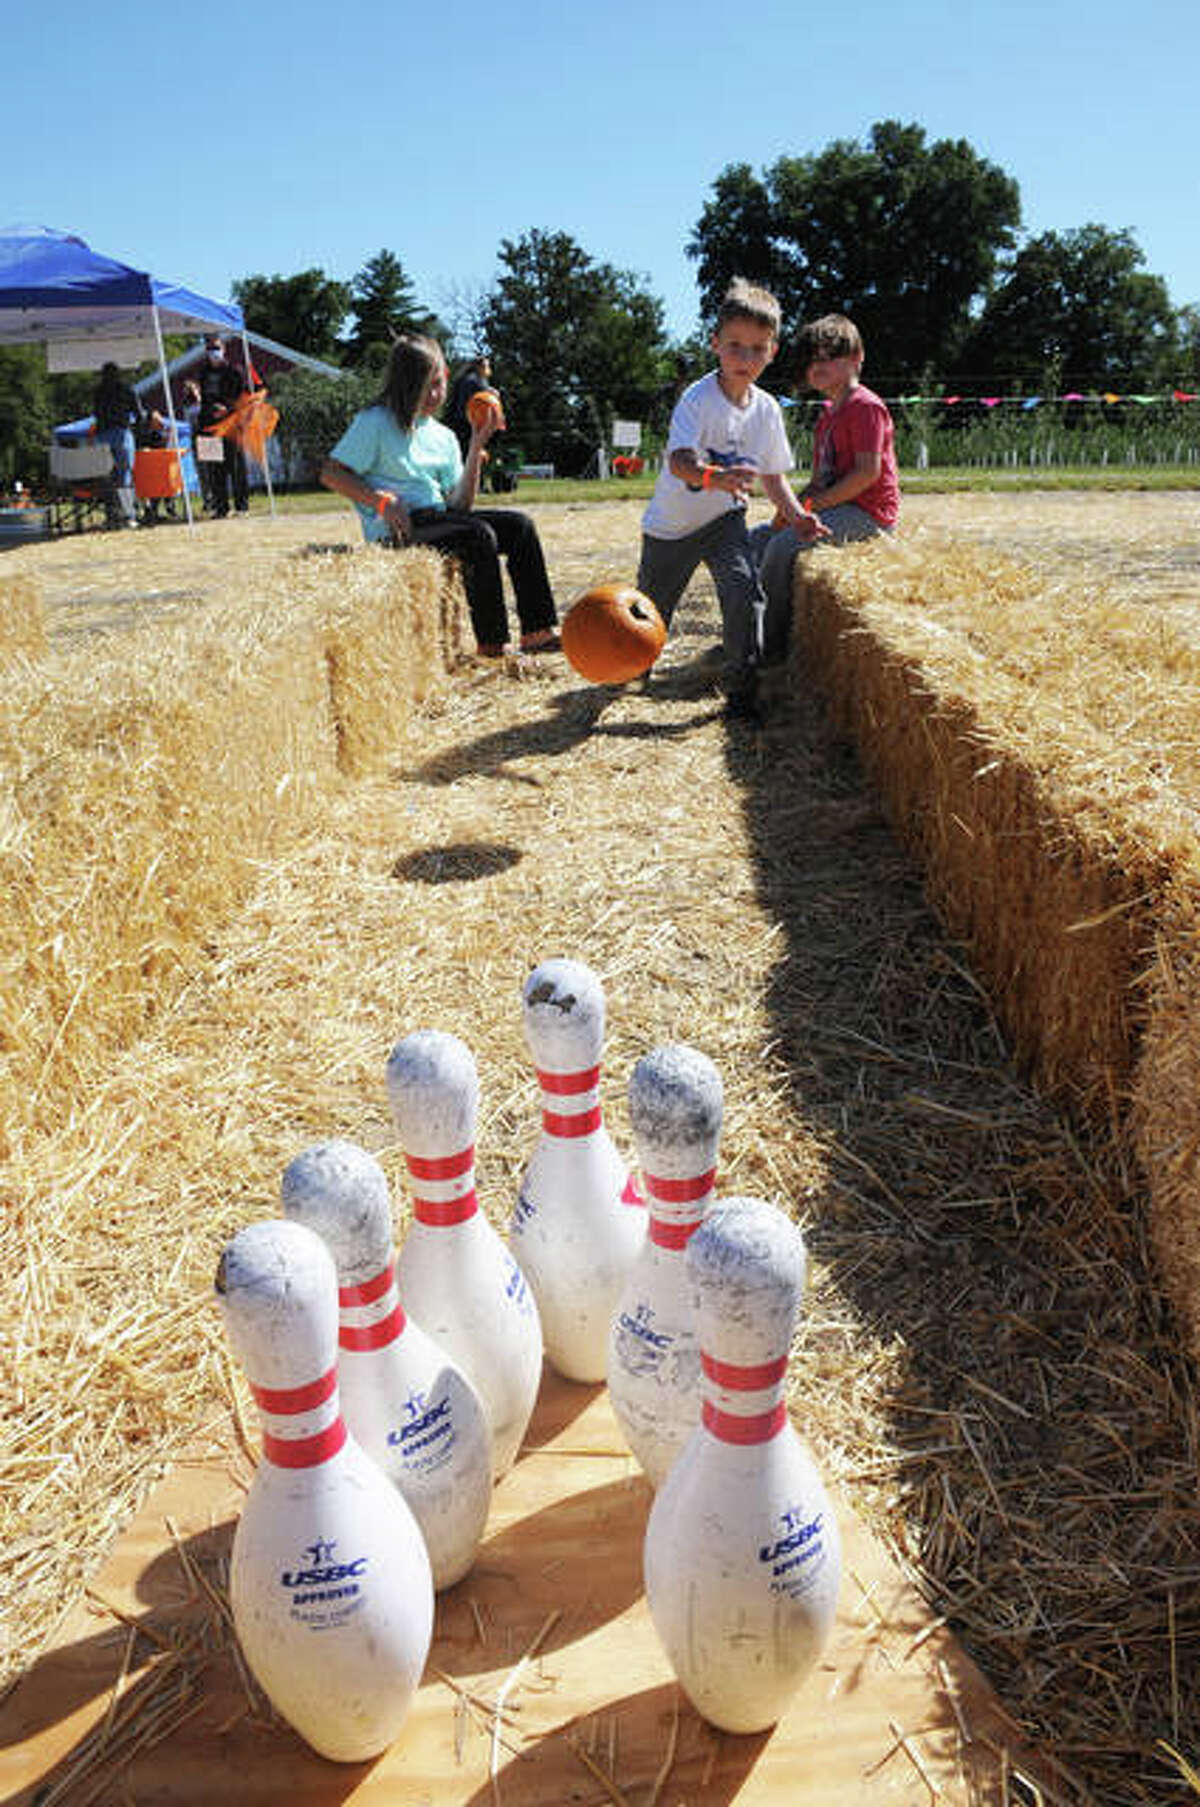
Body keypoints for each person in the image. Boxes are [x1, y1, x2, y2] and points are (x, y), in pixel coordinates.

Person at [636, 279, 825, 722]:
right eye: (735, 346)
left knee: (744, 591)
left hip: (725, 522)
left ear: (772, 351)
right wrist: (714, 477)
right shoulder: (697, 399)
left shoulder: (767, 409)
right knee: (650, 610)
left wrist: (797, 516)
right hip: (671, 526)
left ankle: (743, 688)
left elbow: (773, 476)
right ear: (715, 344)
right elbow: (679, 462)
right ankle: (632, 667)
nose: (745, 358)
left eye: (757, 348)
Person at [319, 333, 560, 659]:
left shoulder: (443, 435)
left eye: (438, 384)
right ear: (404, 385)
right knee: (478, 535)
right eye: (425, 387)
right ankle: (493, 647)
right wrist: (380, 501)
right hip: (400, 529)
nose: (435, 395)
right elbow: (331, 473)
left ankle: (538, 633)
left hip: (440, 519)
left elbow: (460, 505)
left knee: (520, 526)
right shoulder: (375, 422)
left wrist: (476, 445)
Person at [751, 313, 899, 662]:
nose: (817, 366)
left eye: (829, 357)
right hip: (837, 507)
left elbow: (866, 474)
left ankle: (770, 647)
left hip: (869, 514)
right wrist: (790, 511)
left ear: (857, 358)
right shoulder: (828, 415)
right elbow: (819, 480)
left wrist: (810, 509)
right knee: (757, 539)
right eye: (811, 359)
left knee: (781, 548)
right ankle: (745, 628)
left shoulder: (865, 407)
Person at [196, 335, 249, 517]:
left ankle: (241, 506)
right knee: (214, 468)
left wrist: (227, 409)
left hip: (231, 424)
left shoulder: (234, 371)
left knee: (236, 467)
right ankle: (221, 507)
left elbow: (243, 399)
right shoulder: (203, 373)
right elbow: (204, 399)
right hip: (209, 425)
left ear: (224, 350)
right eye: (210, 349)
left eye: (217, 348)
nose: (214, 352)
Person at [92, 362, 142, 529]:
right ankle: (129, 515)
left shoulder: (98, 392)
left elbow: (96, 413)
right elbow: (139, 413)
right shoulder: (127, 389)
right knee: (125, 475)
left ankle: (111, 515)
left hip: (102, 436)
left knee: (107, 477)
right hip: (121, 434)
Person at [446, 354, 493, 459]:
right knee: (469, 455)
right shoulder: (475, 380)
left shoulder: (465, 379)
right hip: (467, 423)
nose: (488, 369)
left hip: (457, 421)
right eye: (486, 366)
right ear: (479, 367)